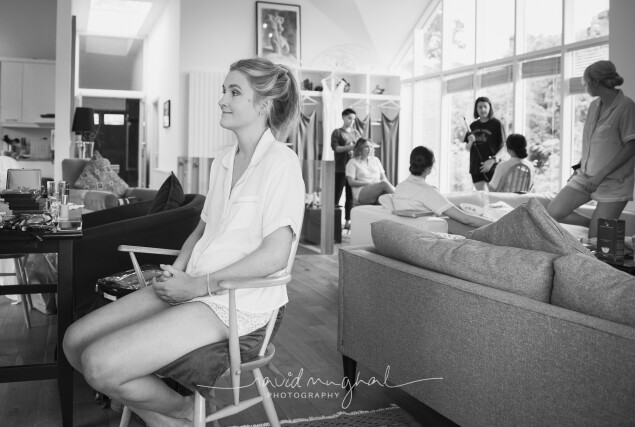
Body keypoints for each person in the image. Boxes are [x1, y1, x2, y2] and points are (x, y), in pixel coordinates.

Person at [62, 58, 305, 426]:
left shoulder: (281, 164)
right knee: (74, 342)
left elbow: (275, 256)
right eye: (223, 90)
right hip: (193, 284)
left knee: (98, 364)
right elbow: (202, 230)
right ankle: (175, 418)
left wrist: (197, 286)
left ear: (263, 105)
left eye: (234, 92)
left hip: (236, 303)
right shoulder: (223, 161)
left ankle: (181, 411)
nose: (222, 99)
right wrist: (177, 272)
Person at [547, 60, 635, 238]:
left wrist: (600, 176)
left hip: (614, 183)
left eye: (585, 82)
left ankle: (601, 230)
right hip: (586, 176)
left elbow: (631, 147)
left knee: (597, 240)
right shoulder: (594, 106)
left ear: (596, 82)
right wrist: (579, 168)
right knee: (551, 213)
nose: (584, 86)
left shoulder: (627, 107)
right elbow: (591, 144)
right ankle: (595, 225)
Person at [391, 146, 493, 235]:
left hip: (410, 234)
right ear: (430, 168)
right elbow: (466, 219)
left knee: (451, 218)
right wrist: (496, 223)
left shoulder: (399, 187)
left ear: (411, 163)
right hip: (432, 236)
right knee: (460, 222)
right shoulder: (426, 191)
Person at [463, 96, 506, 191]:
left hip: (493, 167)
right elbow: (467, 148)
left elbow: (504, 148)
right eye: (480, 107)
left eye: (485, 106)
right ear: (476, 109)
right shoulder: (472, 126)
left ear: (490, 108)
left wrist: (492, 161)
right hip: (476, 168)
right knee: (482, 197)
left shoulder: (497, 124)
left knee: (495, 197)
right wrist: (470, 141)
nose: (483, 109)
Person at [331, 108, 361, 229]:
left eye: (353, 119)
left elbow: (359, 149)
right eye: (349, 118)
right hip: (340, 169)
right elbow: (337, 148)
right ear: (343, 117)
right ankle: (333, 221)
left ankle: (348, 221)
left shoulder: (356, 133)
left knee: (350, 197)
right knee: (336, 196)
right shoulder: (337, 132)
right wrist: (351, 147)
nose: (351, 121)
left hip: (352, 171)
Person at [345, 138, 395, 205]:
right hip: (362, 191)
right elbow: (351, 182)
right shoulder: (352, 162)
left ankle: (402, 202)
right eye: (366, 147)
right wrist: (369, 183)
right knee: (384, 184)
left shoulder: (376, 160)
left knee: (388, 198)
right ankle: (402, 197)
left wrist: (379, 184)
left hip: (378, 188)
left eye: (371, 146)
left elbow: (383, 178)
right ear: (360, 148)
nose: (370, 149)